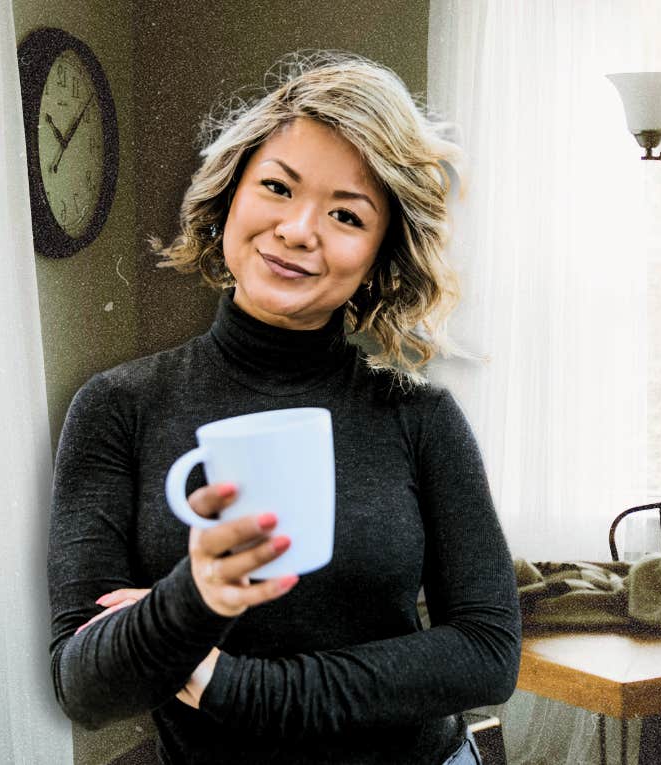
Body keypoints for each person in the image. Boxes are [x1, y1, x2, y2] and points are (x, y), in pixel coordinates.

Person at [47, 51, 521, 764]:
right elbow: (86, 686)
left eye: (345, 214)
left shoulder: (419, 418)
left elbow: (487, 652)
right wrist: (196, 594)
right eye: (277, 186)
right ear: (230, 195)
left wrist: (236, 685)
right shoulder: (119, 409)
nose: (300, 229)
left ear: (378, 253)